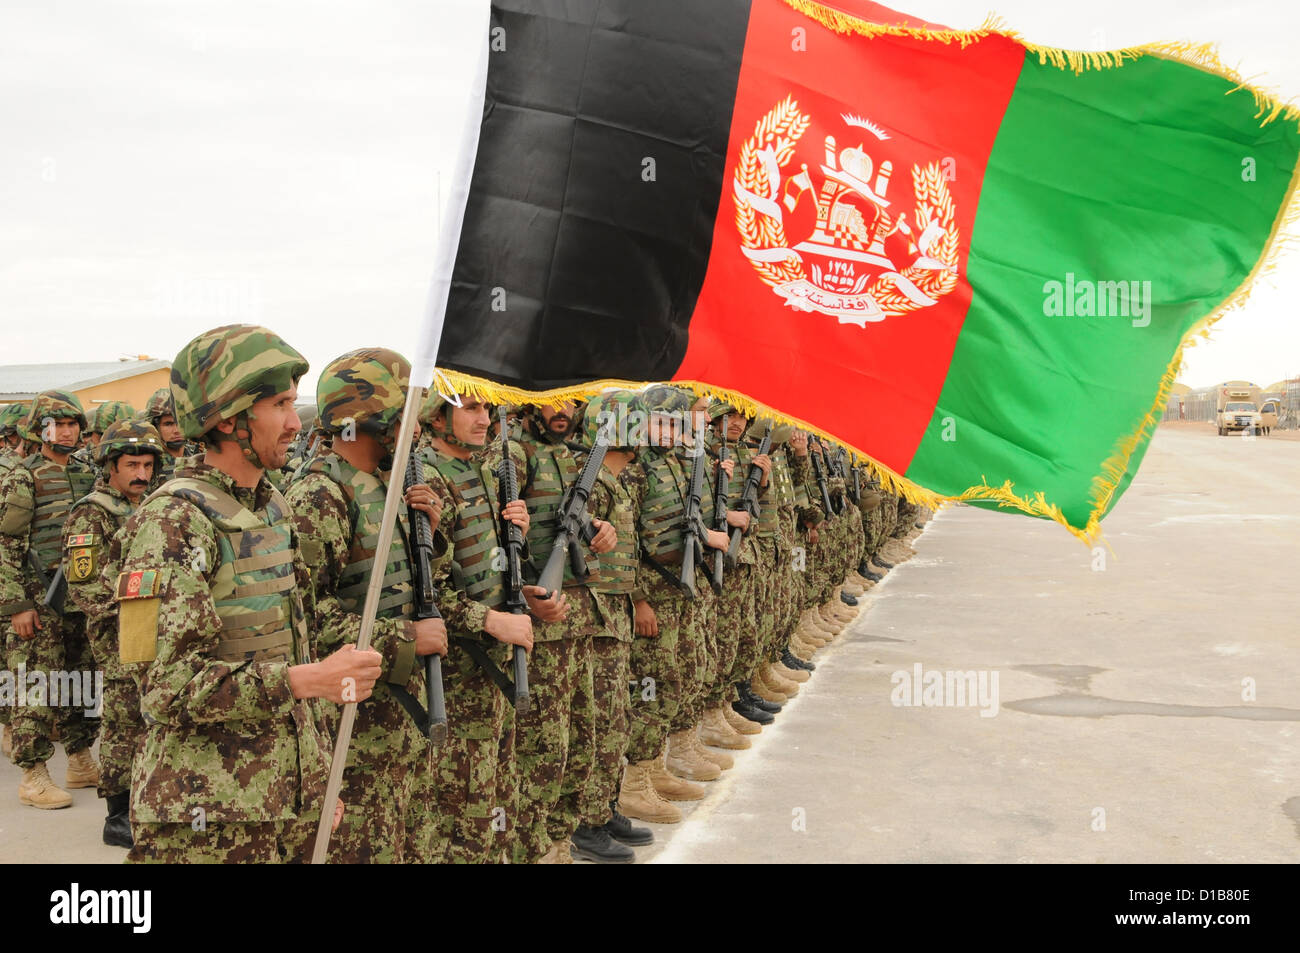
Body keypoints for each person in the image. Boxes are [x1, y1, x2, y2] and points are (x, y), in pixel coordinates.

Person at [115, 325, 382, 863]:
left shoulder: (273, 506)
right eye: (280, 404)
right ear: (230, 418)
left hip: (285, 798)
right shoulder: (173, 522)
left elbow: (295, 645)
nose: (294, 422)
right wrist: (306, 681)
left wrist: (317, 775)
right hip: (208, 815)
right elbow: (165, 686)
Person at [285, 348, 449, 863]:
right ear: (372, 417)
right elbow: (307, 619)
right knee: (358, 844)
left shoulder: (390, 483)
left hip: (398, 705)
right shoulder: (322, 494)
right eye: (405, 416)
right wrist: (404, 640)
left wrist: (431, 536)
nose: (416, 429)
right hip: (351, 722)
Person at [420, 391, 562, 863]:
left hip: (495, 663)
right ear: (437, 416)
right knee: (463, 807)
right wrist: (488, 619)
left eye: (487, 410)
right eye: (471, 409)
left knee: (499, 790)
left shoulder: (485, 470)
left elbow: (498, 568)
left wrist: (526, 598)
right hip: (458, 668)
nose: (484, 420)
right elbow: (425, 592)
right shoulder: (427, 479)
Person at [61, 418, 166, 845]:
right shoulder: (93, 511)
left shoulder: (154, 504)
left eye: (146, 464)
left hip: (156, 631)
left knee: (152, 718)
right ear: (111, 466)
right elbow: (83, 585)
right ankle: (117, 816)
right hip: (119, 635)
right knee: (124, 723)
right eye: (131, 465)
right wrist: (132, 607)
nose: (140, 474)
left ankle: (147, 803)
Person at [0, 390, 100, 808]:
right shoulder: (24, 476)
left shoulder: (85, 471)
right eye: (57, 424)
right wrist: (17, 605)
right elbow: (6, 543)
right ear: (39, 429)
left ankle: (79, 760)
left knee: (81, 682)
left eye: (72, 423)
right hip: (39, 597)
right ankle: (33, 775)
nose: (66, 431)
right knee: (35, 684)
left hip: (82, 597)